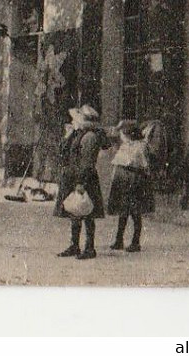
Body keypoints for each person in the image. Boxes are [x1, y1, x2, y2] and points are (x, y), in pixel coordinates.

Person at [54, 103, 108, 259]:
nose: (72, 122)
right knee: (75, 212)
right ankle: (75, 245)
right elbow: (63, 151)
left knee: (87, 212)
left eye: (75, 119)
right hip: (75, 175)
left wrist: (81, 183)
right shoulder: (78, 134)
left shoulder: (89, 137)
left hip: (84, 177)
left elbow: (87, 162)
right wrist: (68, 135)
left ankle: (90, 248)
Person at [108, 119, 154, 252]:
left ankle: (135, 241)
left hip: (135, 180)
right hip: (125, 180)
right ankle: (119, 239)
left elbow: (141, 164)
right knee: (123, 211)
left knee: (135, 212)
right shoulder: (126, 145)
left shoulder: (140, 146)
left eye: (123, 132)